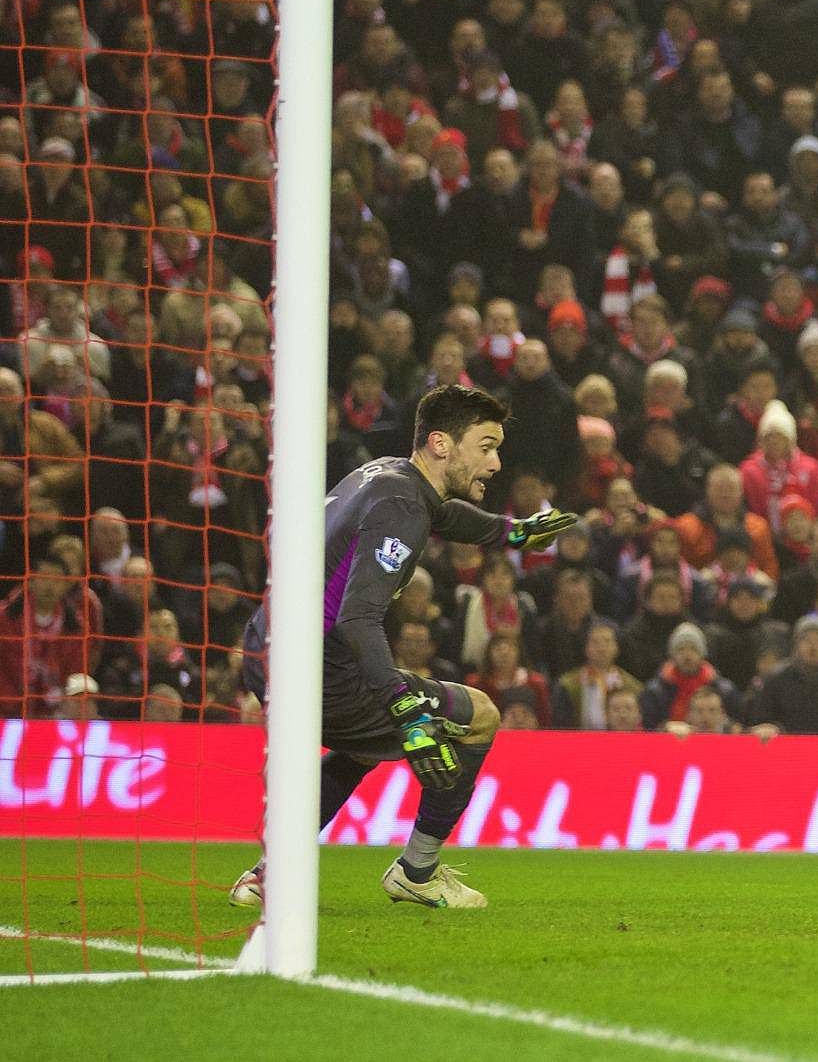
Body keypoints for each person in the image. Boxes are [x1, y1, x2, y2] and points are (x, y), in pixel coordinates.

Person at [228, 386, 575, 910]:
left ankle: (268, 875)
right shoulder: (401, 508)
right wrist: (401, 702)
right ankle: (418, 870)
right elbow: (357, 617)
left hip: (267, 648)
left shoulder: (388, 475)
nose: (496, 463)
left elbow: (447, 517)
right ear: (441, 443)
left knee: (360, 749)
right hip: (318, 669)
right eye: (485, 447)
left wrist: (513, 533)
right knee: (479, 715)